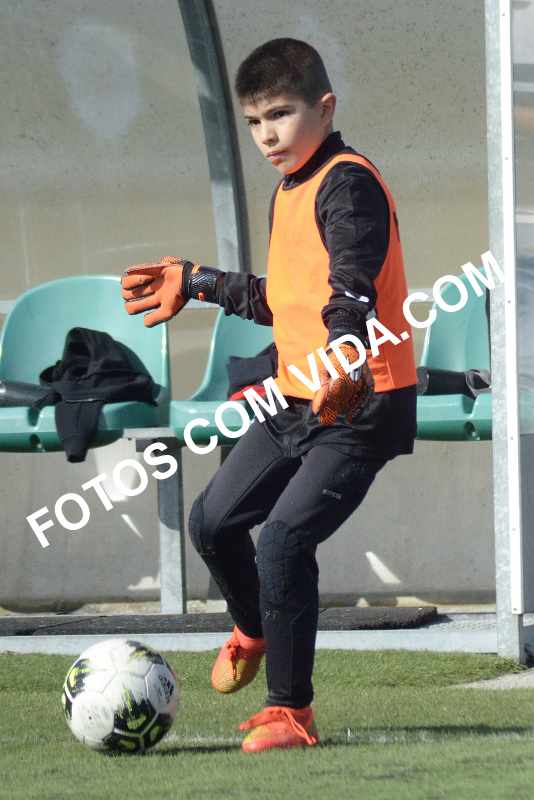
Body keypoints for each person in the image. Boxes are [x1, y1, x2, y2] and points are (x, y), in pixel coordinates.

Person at [120, 37, 418, 753]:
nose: (266, 136)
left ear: (325, 107)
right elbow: (281, 299)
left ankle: (291, 712)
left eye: (281, 114)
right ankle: (253, 626)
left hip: (360, 404)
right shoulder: (291, 188)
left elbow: (351, 286)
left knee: (284, 540)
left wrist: (345, 349)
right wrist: (198, 281)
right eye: (254, 122)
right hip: (293, 397)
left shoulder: (348, 184)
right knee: (212, 523)